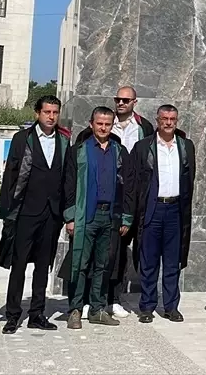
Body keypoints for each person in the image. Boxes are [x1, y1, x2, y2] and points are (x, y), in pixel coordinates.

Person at [61, 107, 137, 329]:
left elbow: (128, 187)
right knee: (80, 264)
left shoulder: (119, 152)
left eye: (107, 124)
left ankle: (97, 309)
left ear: (112, 125)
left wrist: (125, 218)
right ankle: (75, 309)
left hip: (110, 216)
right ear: (91, 123)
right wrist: (70, 217)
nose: (103, 128)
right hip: (86, 215)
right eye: (99, 123)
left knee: (104, 265)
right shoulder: (79, 151)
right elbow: (68, 186)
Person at [0, 96, 66, 334]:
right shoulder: (22, 139)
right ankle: (13, 315)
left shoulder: (64, 141)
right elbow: (11, 176)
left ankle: (37, 313)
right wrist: (6, 209)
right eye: (47, 112)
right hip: (26, 211)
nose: (51, 116)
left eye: (55, 112)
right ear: (37, 113)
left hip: (51, 214)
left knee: (43, 265)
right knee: (19, 265)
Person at [129, 104, 196, 323]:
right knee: (149, 262)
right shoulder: (143, 147)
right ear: (157, 120)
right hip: (153, 209)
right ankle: (147, 306)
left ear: (177, 121)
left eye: (172, 119)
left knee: (172, 261)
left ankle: (170, 306)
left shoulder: (186, 146)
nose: (168, 123)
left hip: (175, 210)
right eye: (164, 118)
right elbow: (134, 182)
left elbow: (189, 179)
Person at [106, 86, 153, 317]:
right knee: (114, 250)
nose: (121, 103)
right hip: (113, 196)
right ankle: (110, 297)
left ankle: (139, 299)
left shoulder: (144, 128)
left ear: (135, 102)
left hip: (139, 196)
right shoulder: (106, 124)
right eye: (118, 99)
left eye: (126, 100)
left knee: (139, 250)